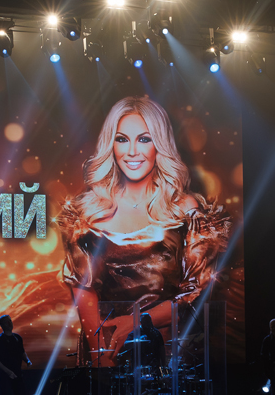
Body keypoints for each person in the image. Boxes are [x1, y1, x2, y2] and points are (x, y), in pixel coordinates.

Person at [58, 95, 230, 366]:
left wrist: (136, 321)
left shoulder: (186, 209)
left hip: (172, 355)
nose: (132, 151)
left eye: (144, 139)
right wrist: (101, 359)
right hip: (110, 353)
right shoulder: (87, 213)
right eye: (122, 139)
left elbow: (198, 293)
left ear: (160, 144)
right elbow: (84, 292)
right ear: (110, 144)